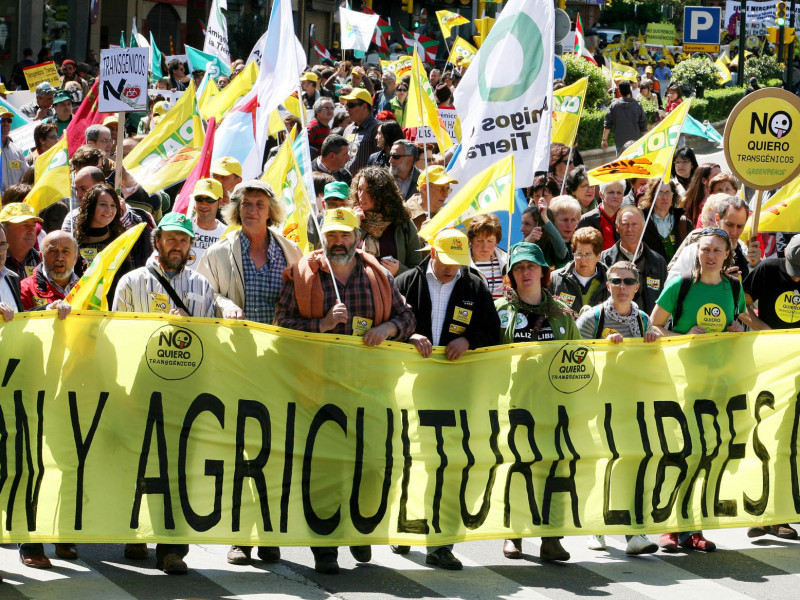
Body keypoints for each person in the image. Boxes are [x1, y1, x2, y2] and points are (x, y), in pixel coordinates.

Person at [274, 207, 416, 574]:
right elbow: (281, 325)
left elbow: (406, 316)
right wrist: (321, 324)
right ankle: (325, 546)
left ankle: (359, 527)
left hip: (370, 389)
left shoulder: (377, 275)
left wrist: (387, 330)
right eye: (332, 235)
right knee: (325, 471)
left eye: (345, 235)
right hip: (318, 390)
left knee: (374, 465)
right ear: (323, 239)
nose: (338, 242)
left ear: (357, 238)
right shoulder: (302, 274)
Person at [112, 212, 216, 574]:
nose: (177, 245)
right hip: (141, 387)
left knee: (179, 467)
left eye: (184, 240)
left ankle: (172, 549)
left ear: (190, 246)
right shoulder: (131, 282)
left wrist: (193, 328)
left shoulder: (202, 286)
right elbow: (118, 336)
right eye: (171, 238)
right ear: (157, 241)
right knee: (137, 462)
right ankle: (135, 533)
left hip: (185, 389)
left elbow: (213, 340)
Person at [393, 229, 500, 570]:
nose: (452, 268)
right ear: (432, 253)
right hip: (410, 388)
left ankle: (440, 544)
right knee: (410, 459)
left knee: (449, 465)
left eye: (458, 261)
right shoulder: (405, 282)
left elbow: (493, 332)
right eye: (447, 260)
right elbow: (388, 323)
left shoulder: (475, 286)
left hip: (456, 392)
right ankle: (405, 525)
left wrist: (469, 340)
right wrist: (409, 336)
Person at [650, 227, 746, 554]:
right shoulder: (681, 285)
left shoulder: (734, 288)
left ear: (727, 254)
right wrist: (684, 336)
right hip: (681, 383)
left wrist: (737, 329)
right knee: (679, 453)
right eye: (705, 249)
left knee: (707, 456)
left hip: (718, 385)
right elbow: (653, 327)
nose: (710, 256)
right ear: (697, 252)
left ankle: (693, 528)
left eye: (717, 250)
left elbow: (738, 325)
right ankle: (669, 526)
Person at [494, 242, 578, 562]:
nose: (525, 272)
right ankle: (513, 533)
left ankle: (551, 537)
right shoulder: (500, 311)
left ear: (543, 272)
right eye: (518, 268)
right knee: (517, 468)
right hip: (513, 406)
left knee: (554, 470)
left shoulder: (562, 313)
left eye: (531, 266)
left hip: (554, 408)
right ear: (511, 275)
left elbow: (578, 360)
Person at [575, 260, 660, 557]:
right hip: (597, 404)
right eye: (616, 281)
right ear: (608, 285)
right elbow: (571, 359)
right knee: (602, 465)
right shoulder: (592, 318)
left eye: (628, 282)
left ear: (637, 287)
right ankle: (595, 526)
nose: (622, 287)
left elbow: (652, 364)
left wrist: (654, 343)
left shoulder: (644, 320)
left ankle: (634, 533)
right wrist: (601, 348)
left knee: (631, 467)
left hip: (632, 405)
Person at [196, 179, 302, 322]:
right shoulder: (217, 253)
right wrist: (226, 306)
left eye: (260, 204)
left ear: (270, 212)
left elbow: (304, 296)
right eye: (246, 204)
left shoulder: (291, 251)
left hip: (280, 336)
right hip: (235, 336)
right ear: (238, 210)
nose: (252, 211)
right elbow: (201, 292)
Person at [351, 166, 423, 275]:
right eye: (360, 189)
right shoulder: (351, 219)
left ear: (382, 193)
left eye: (368, 191)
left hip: (394, 285)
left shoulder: (402, 223)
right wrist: (353, 226)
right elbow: (341, 260)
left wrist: (400, 271)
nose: (361, 195)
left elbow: (416, 270)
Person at [668, 194, 756, 281]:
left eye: (740, 226)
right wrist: (712, 276)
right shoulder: (696, 240)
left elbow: (748, 286)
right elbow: (671, 279)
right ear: (717, 219)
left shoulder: (742, 249)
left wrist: (754, 265)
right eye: (729, 225)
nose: (734, 232)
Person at [600, 206, 667, 315]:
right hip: (612, 323)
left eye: (634, 224)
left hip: (648, 323)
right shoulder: (603, 260)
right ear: (617, 227)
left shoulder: (658, 261)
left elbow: (664, 301)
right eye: (625, 224)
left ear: (643, 226)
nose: (630, 229)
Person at [741, 234, 800, 331]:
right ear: (785, 251)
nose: (797, 278)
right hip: (768, 339)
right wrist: (765, 330)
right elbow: (739, 304)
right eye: (793, 268)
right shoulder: (768, 269)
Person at [550, 227, 610, 313]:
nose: (583, 260)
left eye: (588, 255)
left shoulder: (611, 281)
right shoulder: (555, 279)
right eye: (579, 254)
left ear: (598, 256)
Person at [20, 230, 78, 310]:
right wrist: (47, 309)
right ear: (41, 257)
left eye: (65, 251)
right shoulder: (25, 289)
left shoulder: (87, 287)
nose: (59, 257)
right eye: (53, 251)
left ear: (75, 258)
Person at [638, 179, 691, 263]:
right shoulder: (642, 221)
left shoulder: (683, 222)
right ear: (652, 195)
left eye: (668, 193)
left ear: (673, 196)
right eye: (660, 193)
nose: (665, 197)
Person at [187, 178, 227, 268]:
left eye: (210, 200)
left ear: (220, 202)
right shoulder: (182, 229)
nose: (204, 204)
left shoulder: (227, 234)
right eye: (199, 199)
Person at [404, 165, 457, 231]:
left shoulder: (447, 216)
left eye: (448, 189)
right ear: (425, 188)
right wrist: (421, 235)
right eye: (441, 189)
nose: (446, 195)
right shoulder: (403, 214)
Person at [341, 88, 380, 176]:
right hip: (347, 181)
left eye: (351, 105)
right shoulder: (348, 129)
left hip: (366, 182)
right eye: (346, 105)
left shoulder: (377, 129)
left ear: (364, 106)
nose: (347, 109)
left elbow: (379, 161)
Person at [602, 80, 648, 154]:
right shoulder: (637, 105)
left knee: (621, 161)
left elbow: (607, 124)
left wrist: (604, 139)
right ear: (629, 90)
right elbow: (643, 126)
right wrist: (647, 140)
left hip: (620, 142)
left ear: (619, 91)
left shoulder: (614, 106)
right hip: (635, 142)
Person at [468, 213, 508, 298]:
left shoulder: (507, 261)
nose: (485, 247)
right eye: (480, 241)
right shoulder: (461, 264)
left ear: (496, 241)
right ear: (471, 240)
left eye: (490, 241)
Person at [578, 181, 625, 250]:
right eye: (611, 192)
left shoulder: (627, 220)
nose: (615, 196)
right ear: (601, 194)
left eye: (619, 193)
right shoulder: (586, 220)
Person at [0, 202, 41, 279]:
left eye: (34, 225)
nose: (31, 230)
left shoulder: (43, 261)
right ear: (4, 229)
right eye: (24, 225)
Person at [680, 162, 721, 228]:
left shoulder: (721, 200)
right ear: (704, 180)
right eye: (716, 176)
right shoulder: (686, 202)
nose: (721, 179)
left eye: (721, 175)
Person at [1, 109, 27, 191]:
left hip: (16, 198)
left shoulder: (17, 150)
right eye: (2, 120)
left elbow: (26, 177)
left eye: (8, 120)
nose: (6, 123)